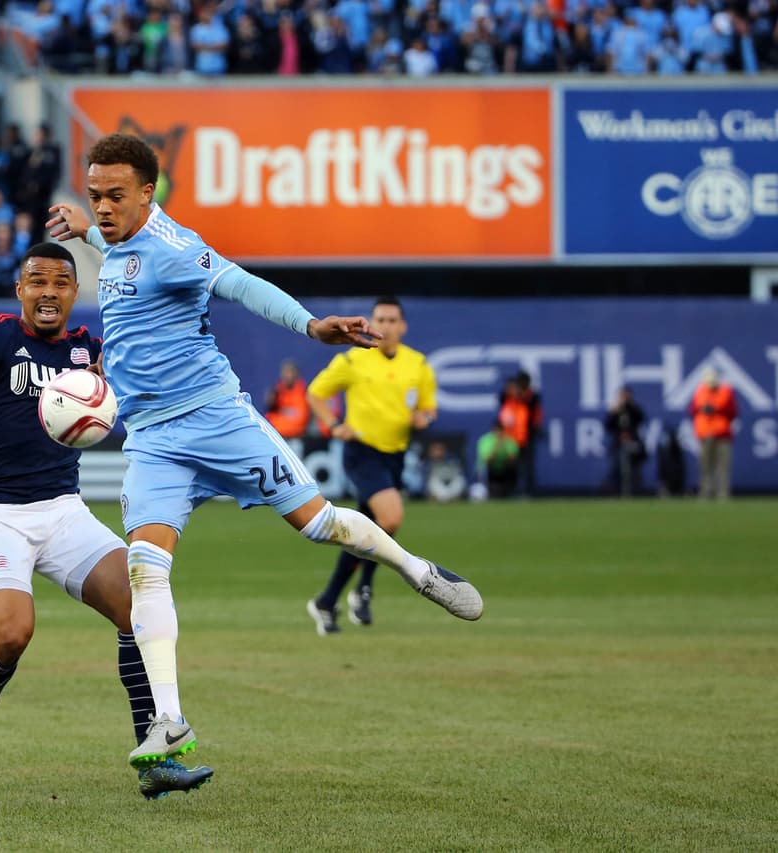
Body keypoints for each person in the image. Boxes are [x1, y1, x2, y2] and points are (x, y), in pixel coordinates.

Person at [46, 133, 483, 770]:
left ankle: (418, 571)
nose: (104, 208)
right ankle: (169, 720)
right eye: (94, 196)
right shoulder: (114, 243)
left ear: (148, 193)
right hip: (152, 440)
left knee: (320, 524)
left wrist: (311, 325)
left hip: (216, 418)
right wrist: (87, 230)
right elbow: (115, 242)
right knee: (146, 569)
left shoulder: (174, 248)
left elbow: (239, 284)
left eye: (115, 197)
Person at [0, 242, 212, 800]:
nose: (49, 292)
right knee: (13, 633)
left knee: (139, 605)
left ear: (74, 292)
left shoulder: (87, 350)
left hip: (63, 511)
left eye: (61, 283)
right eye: (37, 282)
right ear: (20, 290)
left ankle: (154, 756)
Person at [303, 296, 437, 633]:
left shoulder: (417, 365)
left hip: (395, 455)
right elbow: (315, 393)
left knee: (365, 533)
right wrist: (334, 425)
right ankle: (362, 590)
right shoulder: (354, 360)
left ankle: (328, 600)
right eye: (381, 319)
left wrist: (423, 418)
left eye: (393, 320)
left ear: (403, 326)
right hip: (362, 452)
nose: (387, 326)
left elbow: (427, 409)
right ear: (371, 324)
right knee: (390, 517)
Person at [689, 367, 738, 500]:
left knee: (723, 466)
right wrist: (703, 410)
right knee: (705, 465)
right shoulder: (700, 392)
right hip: (705, 434)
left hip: (722, 434)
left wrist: (716, 410)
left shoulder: (725, 392)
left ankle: (723, 492)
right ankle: (706, 491)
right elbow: (692, 411)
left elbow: (733, 412)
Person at [498, 371, 542, 497]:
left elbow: (532, 406)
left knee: (527, 466)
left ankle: (529, 491)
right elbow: (501, 399)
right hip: (510, 437)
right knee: (510, 465)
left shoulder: (531, 396)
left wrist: (519, 395)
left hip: (526, 436)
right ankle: (509, 491)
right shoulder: (509, 396)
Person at [604, 386, 647, 497]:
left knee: (634, 469)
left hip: (633, 442)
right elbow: (608, 426)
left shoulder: (633, 409)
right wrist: (613, 412)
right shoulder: (616, 410)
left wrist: (631, 406)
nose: (624, 398)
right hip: (619, 443)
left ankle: (634, 491)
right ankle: (618, 492)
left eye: (626, 395)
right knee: (618, 468)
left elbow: (641, 419)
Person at [263, 359, 311, 440]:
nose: (287, 375)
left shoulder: (305, 391)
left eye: (290, 371)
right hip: (278, 437)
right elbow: (269, 415)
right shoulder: (276, 392)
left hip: (298, 438)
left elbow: (304, 417)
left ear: (296, 373)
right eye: (284, 371)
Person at [476, 419, 520, 499]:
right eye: (496, 430)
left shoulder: (509, 440)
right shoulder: (486, 440)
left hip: (503, 468)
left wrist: (504, 449)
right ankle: (487, 492)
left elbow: (513, 459)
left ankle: (510, 491)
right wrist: (496, 448)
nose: (498, 433)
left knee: (513, 468)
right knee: (484, 468)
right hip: (489, 470)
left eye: (500, 430)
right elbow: (486, 460)